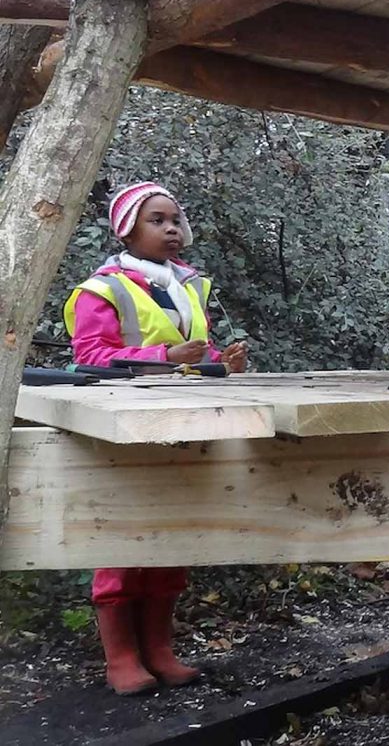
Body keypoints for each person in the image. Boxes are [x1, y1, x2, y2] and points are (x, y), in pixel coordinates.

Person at [64, 181, 248, 695]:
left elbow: (197, 351)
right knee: (122, 537)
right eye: (157, 220)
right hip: (121, 432)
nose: (171, 228)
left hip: (181, 426)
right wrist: (165, 360)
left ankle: (159, 649)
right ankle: (121, 656)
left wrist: (220, 363)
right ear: (127, 228)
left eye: (175, 218)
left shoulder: (188, 284)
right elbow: (89, 359)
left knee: (172, 533)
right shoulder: (103, 289)